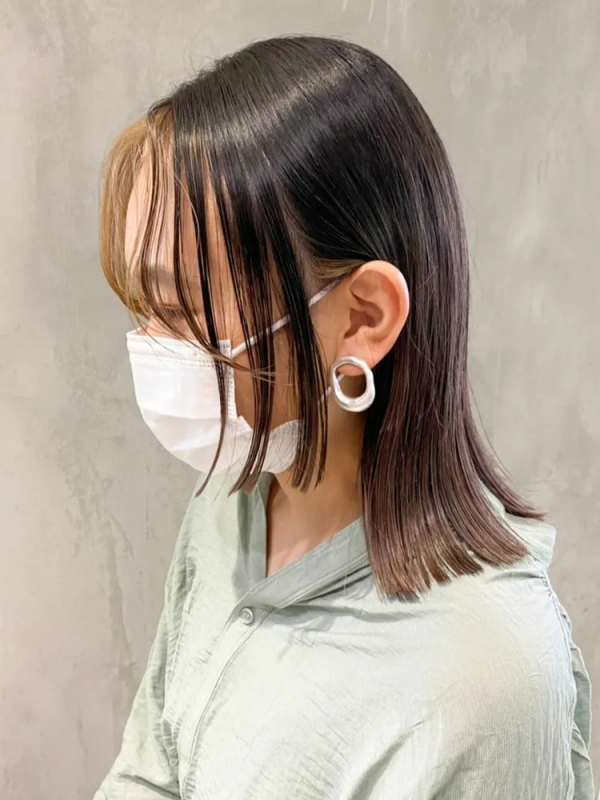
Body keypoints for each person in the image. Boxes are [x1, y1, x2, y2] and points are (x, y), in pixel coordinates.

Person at [94, 35, 593, 800]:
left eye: (181, 308)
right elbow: (149, 770)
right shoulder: (231, 505)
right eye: (142, 305)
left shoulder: (487, 677)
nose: (151, 344)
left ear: (363, 317)